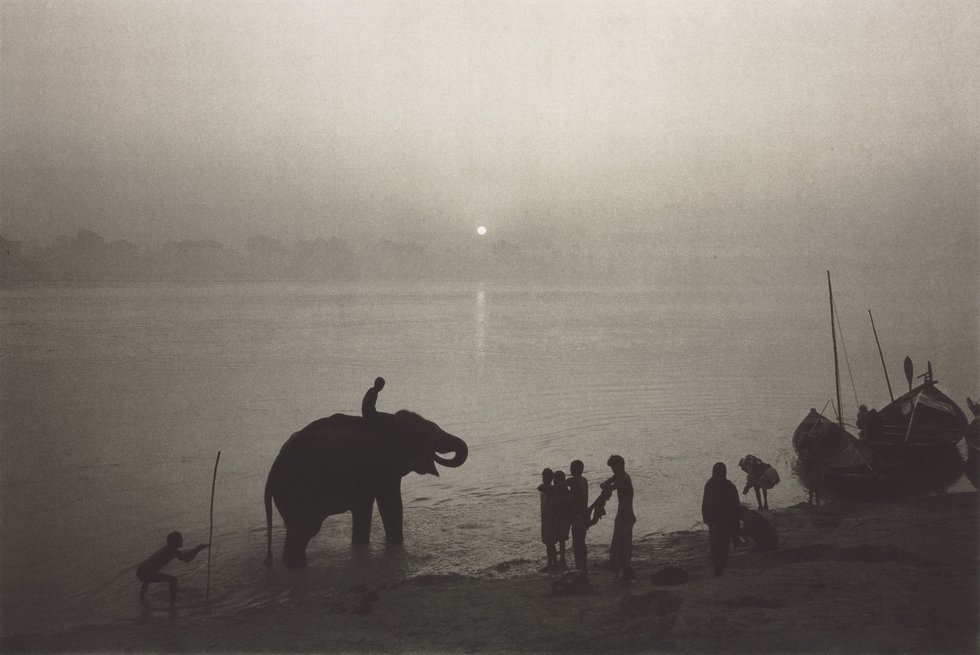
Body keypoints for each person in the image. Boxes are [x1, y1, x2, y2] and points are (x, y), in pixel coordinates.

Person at [136, 531, 209, 607]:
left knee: (147, 580)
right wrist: (197, 549)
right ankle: (172, 604)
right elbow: (186, 559)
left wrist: (196, 549)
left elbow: (183, 553)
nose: (182, 541)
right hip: (145, 572)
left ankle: (141, 599)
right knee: (173, 580)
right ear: (175, 542)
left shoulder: (168, 548)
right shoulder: (171, 551)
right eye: (180, 539)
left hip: (141, 570)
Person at [595, 455, 636, 582]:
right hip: (625, 512)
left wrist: (605, 486)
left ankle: (626, 570)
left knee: (621, 543)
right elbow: (605, 484)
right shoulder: (622, 476)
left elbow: (608, 487)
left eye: (614, 467)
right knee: (623, 543)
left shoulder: (622, 479)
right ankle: (626, 570)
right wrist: (605, 485)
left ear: (620, 466)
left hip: (625, 513)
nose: (613, 470)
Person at [701, 462, 740, 577]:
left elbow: (705, 505)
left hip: (714, 522)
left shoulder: (709, 485)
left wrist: (708, 521)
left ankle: (717, 570)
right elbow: (735, 507)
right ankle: (720, 569)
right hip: (726, 522)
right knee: (724, 547)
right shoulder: (730, 486)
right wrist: (735, 530)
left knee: (715, 546)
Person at [564, 460, 590, 571]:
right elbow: (577, 496)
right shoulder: (584, 480)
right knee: (582, 541)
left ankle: (579, 566)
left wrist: (545, 487)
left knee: (577, 542)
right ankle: (583, 565)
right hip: (584, 514)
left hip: (577, 516)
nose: (570, 470)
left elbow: (558, 487)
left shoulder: (573, 480)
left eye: (571, 468)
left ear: (573, 470)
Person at [551, 470, 573, 569]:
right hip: (560, 518)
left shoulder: (564, 491)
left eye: (555, 480)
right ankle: (560, 558)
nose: (554, 482)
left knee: (561, 539)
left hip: (563, 518)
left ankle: (561, 559)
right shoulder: (563, 491)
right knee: (560, 539)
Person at [538, 468, 558, 570]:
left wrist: (545, 489)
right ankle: (551, 562)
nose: (544, 479)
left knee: (551, 543)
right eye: (543, 477)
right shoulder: (544, 490)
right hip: (545, 519)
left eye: (546, 477)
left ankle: (553, 563)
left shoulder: (551, 489)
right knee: (548, 543)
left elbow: (551, 498)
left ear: (550, 478)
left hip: (551, 519)